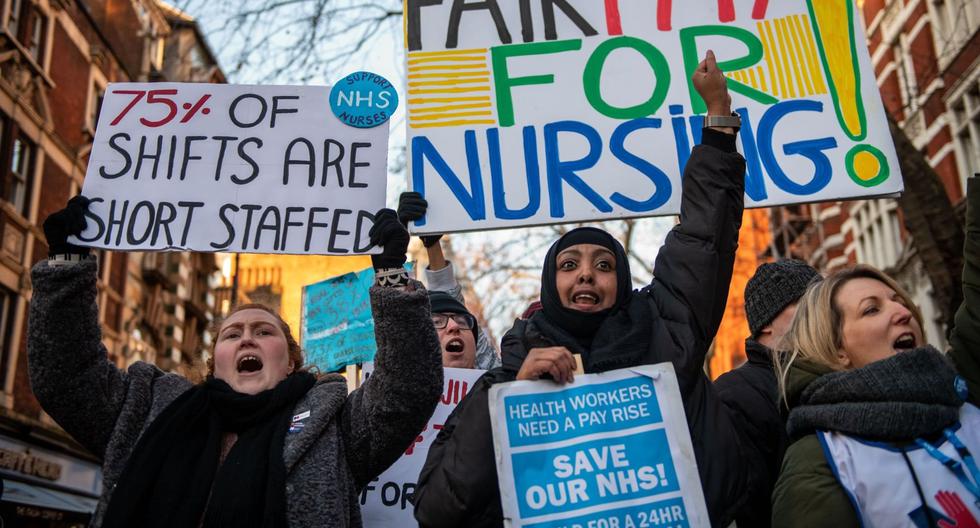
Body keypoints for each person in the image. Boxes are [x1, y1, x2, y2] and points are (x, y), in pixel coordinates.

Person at [413, 50, 750, 528]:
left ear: (622, 282)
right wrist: (512, 397)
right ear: (551, 285)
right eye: (569, 265)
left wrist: (718, 122)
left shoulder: (667, 331)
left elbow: (704, 238)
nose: (586, 275)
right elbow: (437, 509)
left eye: (604, 265)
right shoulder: (506, 377)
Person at [28, 199, 443, 527]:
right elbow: (67, 379)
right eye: (232, 334)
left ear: (290, 363)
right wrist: (67, 266)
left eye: (264, 332)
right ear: (214, 364)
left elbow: (408, 389)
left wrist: (391, 275)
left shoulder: (335, 425)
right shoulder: (148, 408)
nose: (247, 336)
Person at [771, 177, 980, 527]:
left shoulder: (964, 392)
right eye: (872, 309)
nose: (902, 313)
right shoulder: (820, 461)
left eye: (899, 302)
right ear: (837, 350)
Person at [714, 259, 821, 527]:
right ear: (766, 323)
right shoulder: (736, 394)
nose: (822, 313)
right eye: (806, 302)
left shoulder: (833, 372)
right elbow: (754, 507)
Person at [398, 191, 502, 370]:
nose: (454, 326)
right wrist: (396, 246)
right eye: (437, 322)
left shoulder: (495, 386)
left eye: (463, 322)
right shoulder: (407, 394)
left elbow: (448, 299)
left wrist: (432, 243)